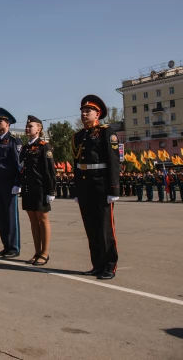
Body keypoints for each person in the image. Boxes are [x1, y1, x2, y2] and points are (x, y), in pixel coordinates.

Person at [72, 95, 119, 280]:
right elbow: (76, 164)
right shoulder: (79, 136)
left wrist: (114, 189)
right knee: (91, 228)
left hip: (101, 186)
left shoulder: (107, 132)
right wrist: (76, 189)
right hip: (85, 186)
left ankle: (109, 265)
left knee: (105, 229)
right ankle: (97, 264)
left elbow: (113, 161)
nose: (84, 114)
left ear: (97, 114)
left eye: (88, 111)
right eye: (82, 111)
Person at [20, 115, 56, 266]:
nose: (28, 128)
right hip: (28, 188)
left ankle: (45, 253)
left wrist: (51, 191)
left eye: (31, 126)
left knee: (42, 220)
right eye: (27, 126)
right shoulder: (25, 147)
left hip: (40, 189)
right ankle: (36, 252)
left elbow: (50, 171)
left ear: (39, 129)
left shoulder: (44, 147)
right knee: (33, 221)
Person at [0, 108, 22, 258]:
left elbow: (18, 164)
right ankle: (6, 245)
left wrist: (18, 183)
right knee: (0, 216)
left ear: (7, 123)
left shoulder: (14, 141)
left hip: (10, 184)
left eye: (0, 121)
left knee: (11, 217)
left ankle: (14, 247)